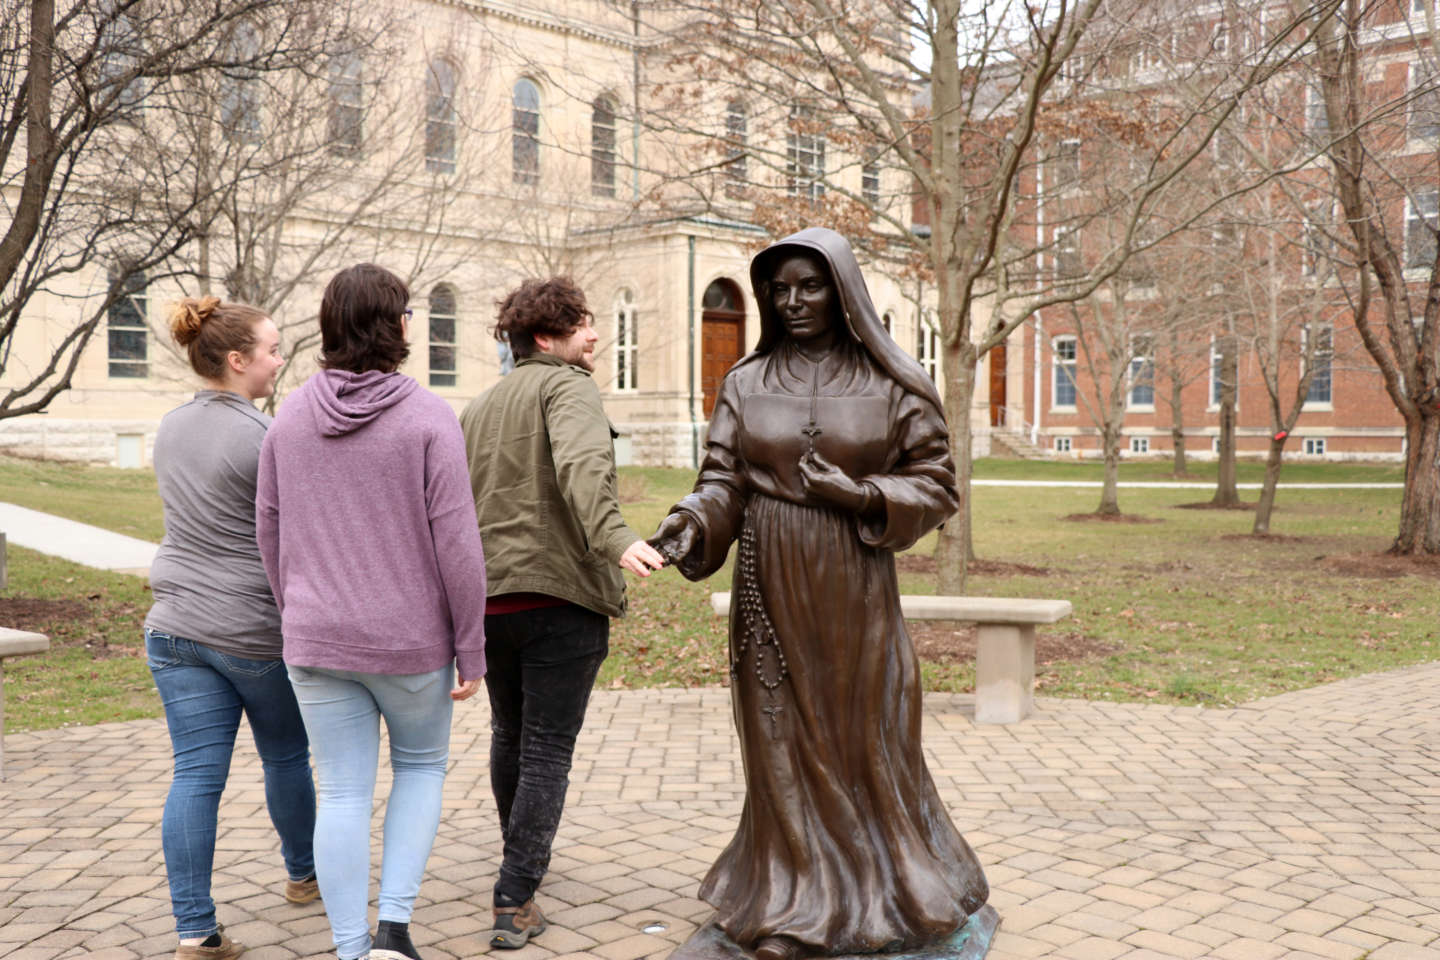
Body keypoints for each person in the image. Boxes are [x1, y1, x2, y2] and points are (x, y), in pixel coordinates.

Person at [649, 228, 989, 960]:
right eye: (780, 289)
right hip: (768, 583)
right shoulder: (746, 382)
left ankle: (883, 895)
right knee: (779, 743)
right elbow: (723, 481)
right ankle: (790, 903)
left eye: (810, 285)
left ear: (842, 290)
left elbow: (937, 482)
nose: (793, 300)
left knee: (865, 739)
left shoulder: (891, 384)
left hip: (854, 585)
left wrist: (861, 493)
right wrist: (688, 523)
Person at [255, 263, 487, 960]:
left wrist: (295, 606)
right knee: (419, 768)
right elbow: (459, 544)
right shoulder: (427, 416)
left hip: (315, 639)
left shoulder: (287, 416)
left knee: (345, 792)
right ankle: (393, 930)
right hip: (410, 644)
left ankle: (351, 948)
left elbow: (268, 527)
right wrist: (472, 648)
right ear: (395, 326)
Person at [459, 276, 666, 949]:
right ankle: (514, 897)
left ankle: (518, 862)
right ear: (547, 338)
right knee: (544, 746)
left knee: (509, 735)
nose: (595, 334)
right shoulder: (568, 385)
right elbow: (584, 467)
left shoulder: (481, 405)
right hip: (558, 600)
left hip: (489, 603)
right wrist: (618, 538)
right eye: (583, 324)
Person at [145, 295, 316, 960]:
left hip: (173, 626)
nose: (279, 361)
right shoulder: (264, 436)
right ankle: (303, 876)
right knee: (285, 756)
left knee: (194, 776)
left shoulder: (170, 425)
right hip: (250, 633)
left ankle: (195, 932)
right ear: (238, 360)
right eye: (272, 350)